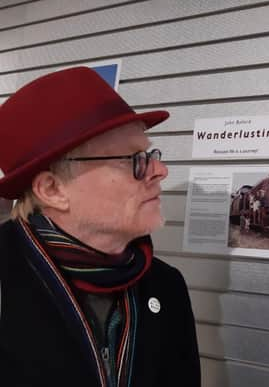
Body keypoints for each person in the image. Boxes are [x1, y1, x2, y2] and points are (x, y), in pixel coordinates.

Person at [0, 67, 200, 387]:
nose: (160, 170)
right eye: (133, 159)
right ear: (53, 190)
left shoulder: (166, 286)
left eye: (149, 154)